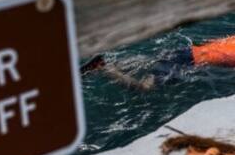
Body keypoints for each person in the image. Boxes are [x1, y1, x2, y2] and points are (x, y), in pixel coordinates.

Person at [82, 35, 235, 90]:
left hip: (186, 50)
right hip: (188, 62)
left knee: (150, 62)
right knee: (146, 88)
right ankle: (104, 68)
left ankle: (112, 62)